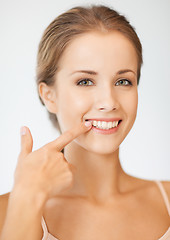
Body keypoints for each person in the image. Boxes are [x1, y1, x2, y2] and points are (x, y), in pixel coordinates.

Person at [0, 4, 169, 240]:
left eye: (123, 81)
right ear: (49, 96)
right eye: (85, 81)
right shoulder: (6, 212)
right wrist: (27, 198)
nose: (109, 102)